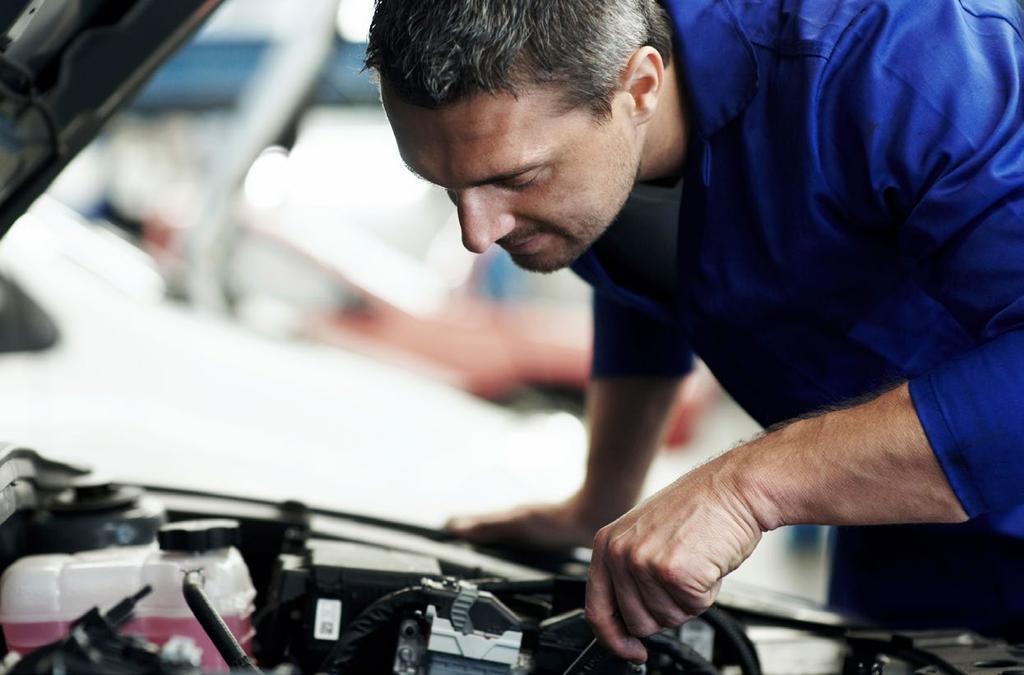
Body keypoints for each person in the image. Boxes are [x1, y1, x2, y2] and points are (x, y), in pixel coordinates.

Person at [365, 0, 1024, 662]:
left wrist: (744, 488)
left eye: (517, 180)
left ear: (641, 86)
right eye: (448, 187)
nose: (477, 233)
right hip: (895, 518)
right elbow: (651, 276)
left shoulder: (895, 60)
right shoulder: (592, 142)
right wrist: (601, 499)